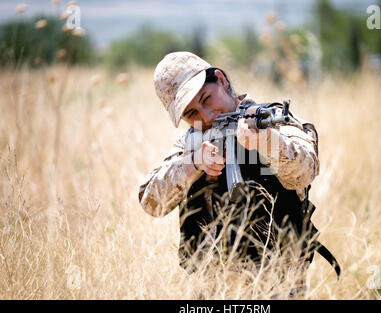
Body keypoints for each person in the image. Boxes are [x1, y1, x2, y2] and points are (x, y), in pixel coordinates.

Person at [138, 52, 338, 294]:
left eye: (206, 99)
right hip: (214, 283)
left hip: (278, 280)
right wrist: (194, 163)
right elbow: (151, 202)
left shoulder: (275, 122)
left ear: (221, 80)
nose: (207, 116)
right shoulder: (192, 143)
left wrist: (265, 142)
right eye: (191, 114)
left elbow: (305, 171)